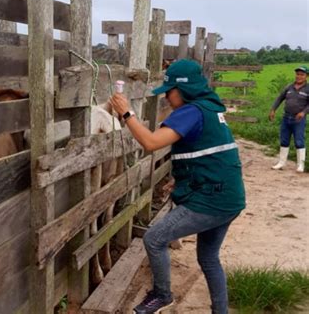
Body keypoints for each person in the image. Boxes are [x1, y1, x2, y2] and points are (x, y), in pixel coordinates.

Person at [109, 59, 245, 314]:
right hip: (229, 197)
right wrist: (181, 179)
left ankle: (162, 295)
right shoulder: (209, 108)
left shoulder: (191, 112)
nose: (167, 99)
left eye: (169, 92)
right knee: (208, 257)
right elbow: (209, 154)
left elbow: (151, 143)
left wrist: (127, 114)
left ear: (183, 89)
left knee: (154, 238)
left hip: (210, 200)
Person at [269, 65, 308, 173]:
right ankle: (281, 163)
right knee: (284, 140)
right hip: (286, 118)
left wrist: (303, 112)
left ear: (306, 76)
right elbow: (280, 98)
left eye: (302, 74)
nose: (299, 76)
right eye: (297, 74)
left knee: (299, 141)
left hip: (299, 120)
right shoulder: (289, 87)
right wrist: (273, 109)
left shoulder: (308, 89)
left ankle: (301, 165)